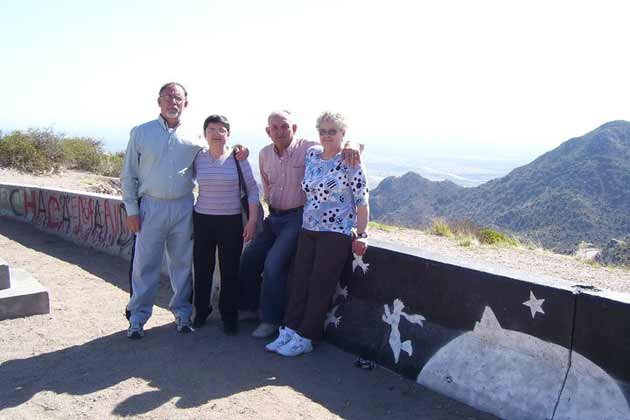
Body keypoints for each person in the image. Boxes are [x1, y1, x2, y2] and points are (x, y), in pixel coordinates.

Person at [121, 82, 247, 339]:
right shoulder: (141, 133)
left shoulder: (196, 136)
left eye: (177, 98)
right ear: (159, 102)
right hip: (150, 206)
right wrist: (132, 209)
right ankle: (137, 318)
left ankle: (182, 314)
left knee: (181, 264)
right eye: (167, 97)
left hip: (183, 206)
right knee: (145, 265)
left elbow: (218, 147)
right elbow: (128, 175)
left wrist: (240, 149)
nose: (172, 102)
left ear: (185, 104)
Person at [238, 110, 361, 339]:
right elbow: (267, 187)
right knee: (250, 256)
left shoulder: (309, 148)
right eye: (274, 127)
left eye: (285, 126)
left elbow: (336, 143)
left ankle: (271, 320)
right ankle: (248, 308)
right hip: (273, 216)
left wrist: (352, 142)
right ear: (267, 131)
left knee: (274, 263)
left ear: (294, 128)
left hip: (297, 218)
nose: (280, 131)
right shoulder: (264, 154)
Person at [266, 111, 369, 356]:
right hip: (308, 227)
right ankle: (290, 329)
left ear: (343, 133)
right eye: (322, 131)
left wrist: (362, 233)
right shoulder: (313, 155)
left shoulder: (350, 160)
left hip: (335, 231)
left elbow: (362, 199)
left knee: (320, 284)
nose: (326, 135)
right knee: (299, 280)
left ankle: (307, 336)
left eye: (332, 131)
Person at [192, 115, 259, 335]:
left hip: (231, 221)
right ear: (205, 134)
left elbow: (252, 190)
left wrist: (251, 221)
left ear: (228, 134)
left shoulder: (238, 158)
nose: (216, 133)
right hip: (203, 219)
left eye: (221, 129)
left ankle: (229, 316)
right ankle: (201, 311)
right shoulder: (198, 157)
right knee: (203, 269)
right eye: (211, 129)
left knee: (230, 271)